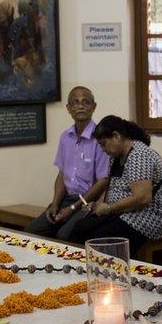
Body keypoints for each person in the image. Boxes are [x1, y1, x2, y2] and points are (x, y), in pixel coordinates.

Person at [68, 116, 162, 251]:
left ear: (116, 136)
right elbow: (110, 188)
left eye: (103, 143)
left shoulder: (140, 155)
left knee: (100, 238)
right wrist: (97, 205)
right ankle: (81, 268)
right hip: (122, 212)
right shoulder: (116, 157)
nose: (102, 149)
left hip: (151, 215)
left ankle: (113, 270)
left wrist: (109, 208)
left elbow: (142, 198)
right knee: (80, 228)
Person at [26, 86, 110, 240]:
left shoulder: (100, 138)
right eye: (75, 102)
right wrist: (55, 204)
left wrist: (73, 208)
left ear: (94, 107)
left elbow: (103, 182)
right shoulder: (66, 137)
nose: (80, 106)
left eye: (86, 102)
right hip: (66, 199)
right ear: (68, 108)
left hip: (88, 202)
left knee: (64, 236)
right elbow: (62, 174)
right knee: (31, 231)